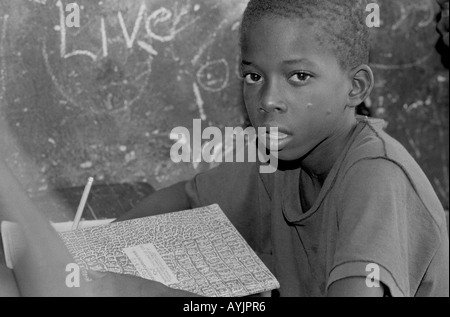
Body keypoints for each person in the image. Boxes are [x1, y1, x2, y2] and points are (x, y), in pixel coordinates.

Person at [40, 0, 450, 297]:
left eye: (299, 76)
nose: (268, 98)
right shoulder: (278, 158)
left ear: (355, 87)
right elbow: (187, 199)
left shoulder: (376, 176)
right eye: (254, 76)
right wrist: (92, 256)